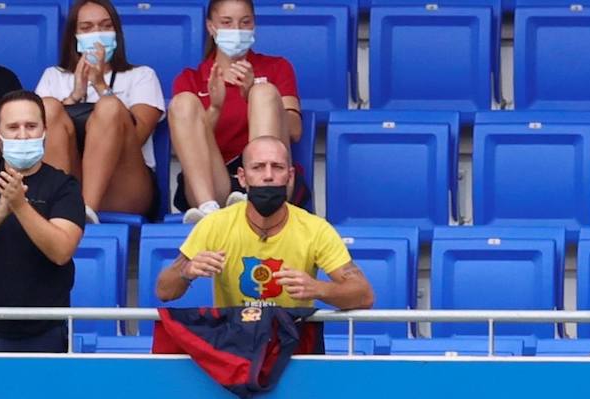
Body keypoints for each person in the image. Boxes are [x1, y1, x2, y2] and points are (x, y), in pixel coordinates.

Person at [154, 135, 372, 312]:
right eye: (258, 167)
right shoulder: (215, 225)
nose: (268, 176)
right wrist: (187, 271)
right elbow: (164, 291)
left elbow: (364, 295)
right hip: (234, 344)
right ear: (242, 177)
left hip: (291, 342)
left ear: (290, 175)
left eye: (277, 167)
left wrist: (319, 289)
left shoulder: (315, 229)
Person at [169, 0, 302, 224]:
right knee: (182, 103)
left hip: (269, 181)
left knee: (264, 92)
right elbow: (188, 145)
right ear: (211, 27)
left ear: (254, 26)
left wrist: (251, 93)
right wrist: (215, 108)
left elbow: (295, 130)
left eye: (245, 22)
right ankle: (208, 212)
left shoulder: (277, 67)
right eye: (227, 23)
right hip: (214, 184)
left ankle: (257, 195)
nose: (237, 30)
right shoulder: (190, 79)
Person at [36, 0, 165, 222]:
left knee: (109, 106)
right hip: (71, 181)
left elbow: (138, 137)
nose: (97, 34)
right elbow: (35, 136)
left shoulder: (142, 75)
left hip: (125, 186)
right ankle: (61, 206)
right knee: (47, 106)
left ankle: (85, 212)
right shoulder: (53, 76)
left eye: (105, 26)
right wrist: (75, 96)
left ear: (117, 33)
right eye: (87, 28)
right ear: (74, 35)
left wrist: (101, 88)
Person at [0, 90, 84, 353]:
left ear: (45, 131)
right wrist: (0, 212)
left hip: (44, 330)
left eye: (31, 126)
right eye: (13, 127)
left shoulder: (64, 186)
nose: (22, 135)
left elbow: (61, 251)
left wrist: (20, 205)